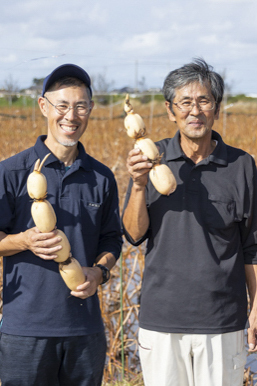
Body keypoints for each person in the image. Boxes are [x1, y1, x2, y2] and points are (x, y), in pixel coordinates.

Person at [122, 59, 257, 386]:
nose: (194, 110)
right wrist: (139, 185)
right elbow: (134, 234)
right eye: (185, 102)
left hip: (223, 321)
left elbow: (252, 246)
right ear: (170, 110)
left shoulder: (241, 165)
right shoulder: (150, 157)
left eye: (204, 101)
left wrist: (256, 311)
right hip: (161, 321)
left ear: (217, 109)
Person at [0, 63, 122, 386]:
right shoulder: (11, 172)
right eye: (63, 105)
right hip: (24, 332)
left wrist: (99, 273)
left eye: (81, 106)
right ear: (44, 106)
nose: (71, 116)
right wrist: (23, 240)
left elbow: (112, 241)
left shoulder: (102, 178)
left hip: (85, 331)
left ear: (91, 110)